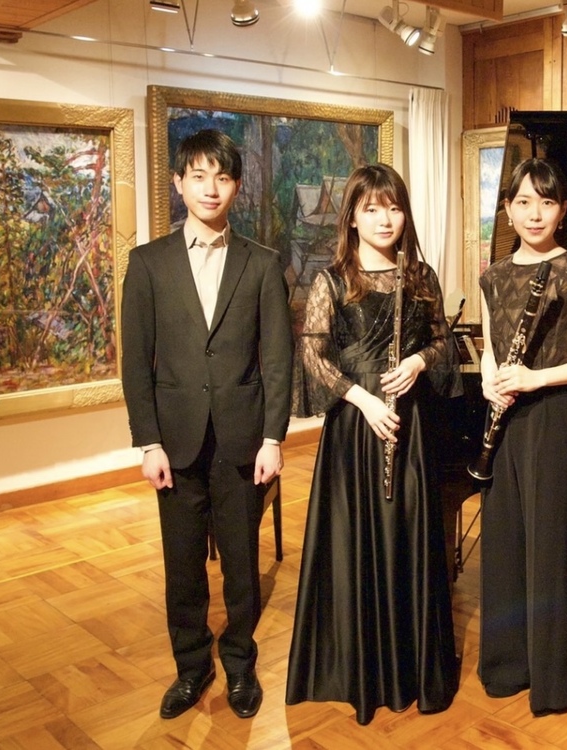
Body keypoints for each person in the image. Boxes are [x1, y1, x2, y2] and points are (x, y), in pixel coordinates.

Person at [120, 128, 293, 720]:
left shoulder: (262, 264)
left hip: (244, 441)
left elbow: (277, 360)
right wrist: (147, 442)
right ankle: (191, 666)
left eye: (222, 177)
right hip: (175, 440)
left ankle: (240, 664)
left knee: (243, 567)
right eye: (198, 176)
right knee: (183, 566)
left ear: (236, 186)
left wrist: (273, 437)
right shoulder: (147, 264)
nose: (210, 188)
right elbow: (136, 363)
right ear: (179, 183)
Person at [285, 163, 461, 725]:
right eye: (372, 209)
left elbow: (443, 341)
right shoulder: (333, 280)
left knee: (408, 535)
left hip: (409, 428)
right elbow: (313, 354)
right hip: (358, 431)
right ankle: (363, 670)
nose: (385, 219)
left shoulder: (420, 276)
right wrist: (362, 399)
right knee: (357, 542)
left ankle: (411, 667)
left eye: (394, 207)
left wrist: (418, 361)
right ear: (353, 218)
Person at [477, 157, 567, 716]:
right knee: (504, 542)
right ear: (508, 209)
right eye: (524, 202)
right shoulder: (493, 275)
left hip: (553, 414)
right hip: (504, 416)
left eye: (547, 202)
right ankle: (506, 665)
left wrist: (536, 378)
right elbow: (489, 347)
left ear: (563, 211)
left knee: (550, 545)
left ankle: (550, 680)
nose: (535, 214)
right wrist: (490, 381)